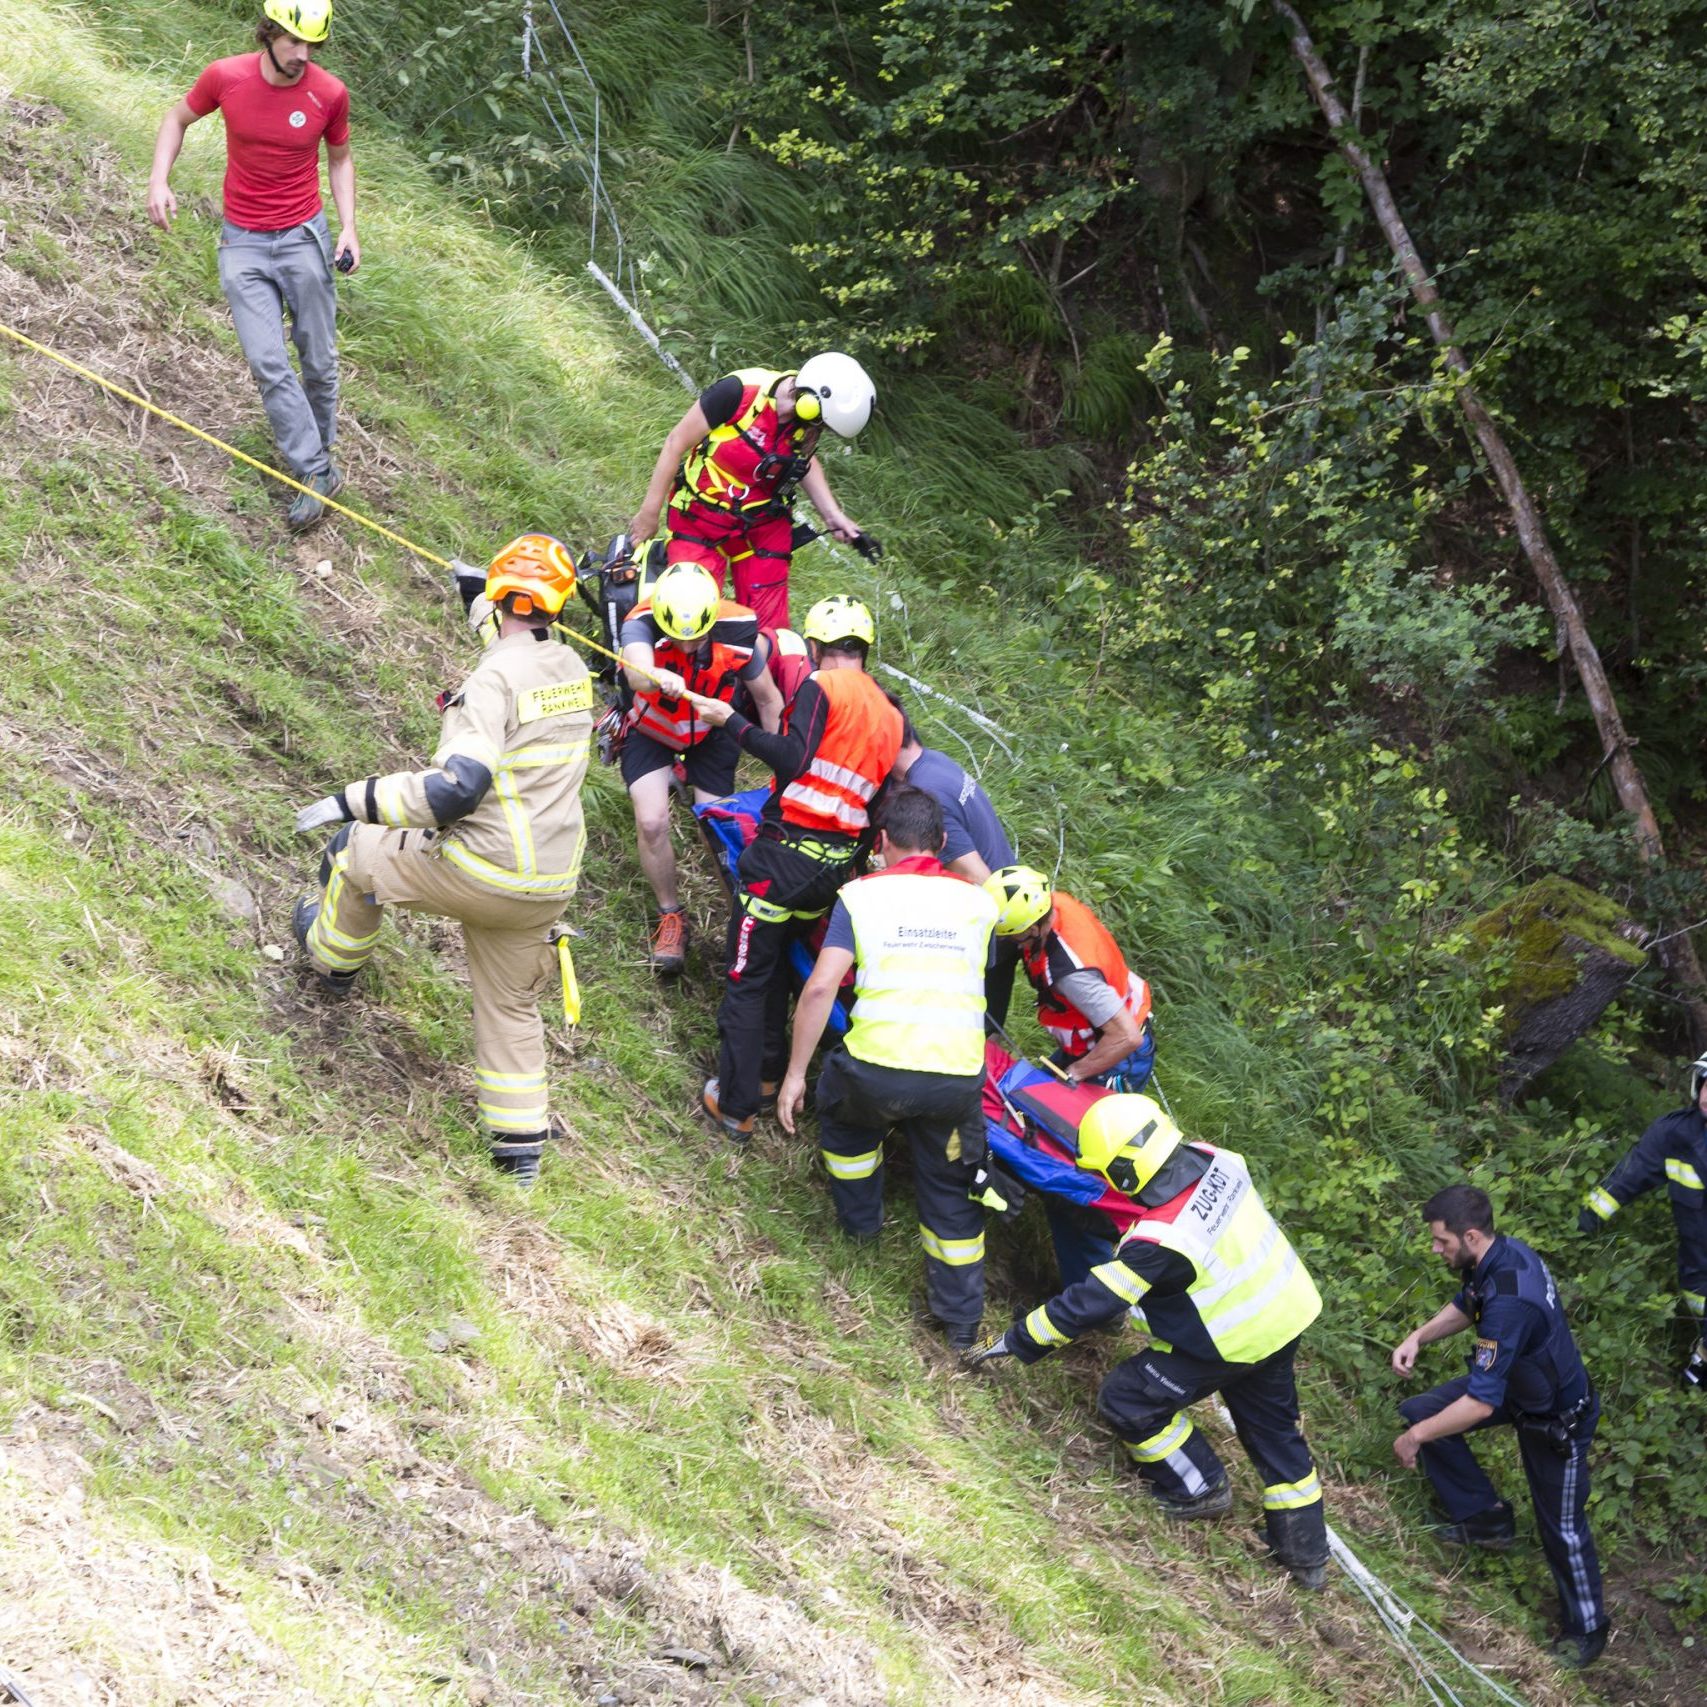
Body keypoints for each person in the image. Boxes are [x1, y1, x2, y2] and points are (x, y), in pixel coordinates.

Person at [290, 534, 593, 1186]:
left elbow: (455, 789)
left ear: (503, 596)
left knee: (352, 852)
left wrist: (353, 800)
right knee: (510, 1005)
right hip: (547, 883)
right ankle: (519, 1153)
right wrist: (476, 596)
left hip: (481, 866)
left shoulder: (492, 681)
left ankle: (331, 961)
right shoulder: (571, 669)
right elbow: (516, 645)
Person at [966, 1094, 1330, 1588]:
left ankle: (1198, 1488)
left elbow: (1093, 1302)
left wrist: (1018, 1340)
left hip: (1231, 1339)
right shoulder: (1217, 1158)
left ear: (1125, 1172)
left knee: (1130, 1398)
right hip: (1285, 1312)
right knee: (1275, 1432)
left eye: (1107, 1174)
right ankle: (1306, 1557)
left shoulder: (1161, 1243)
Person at [777, 786, 998, 1348]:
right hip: (955, 1079)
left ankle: (860, 1229)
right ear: (942, 842)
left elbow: (821, 986)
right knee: (951, 1188)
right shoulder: (980, 904)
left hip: (875, 1073)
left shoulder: (859, 896)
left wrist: (796, 1075)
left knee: (847, 1128)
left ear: (880, 842)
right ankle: (961, 1324)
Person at [688, 594, 904, 1141]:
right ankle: (764, 1078)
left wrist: (731, 722)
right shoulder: (890, 712)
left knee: (746, 976)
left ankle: (735, 1105)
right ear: (864, 649)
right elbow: (878, 800)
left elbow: (793, 758)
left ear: (813, 646)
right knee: (780, 965)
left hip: (784, 858)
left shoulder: (820, 686)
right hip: (831, 872)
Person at [146, 0, 356, 532]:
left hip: (303, 237)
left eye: (312, 45)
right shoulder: (226, 77)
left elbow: (339, 160)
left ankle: (321, 454)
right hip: (241, 241)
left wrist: (349, 227)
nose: (302, 55)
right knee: (267, 362)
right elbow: (176, 118)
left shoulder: (329, 93)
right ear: (268, 33)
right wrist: (158, 181)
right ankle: (314, 470)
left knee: (318, 359)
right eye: (293, 41)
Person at [1392, 1185, 1607, 1669]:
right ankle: (1485, 1519)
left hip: (1556, 1418)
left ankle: (1588, 1628)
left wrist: (1415, 1439)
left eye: (1442, 1241)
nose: (1435, 1249)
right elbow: (1468, 1304)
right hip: (1517, 1388)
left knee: (1562, 1527)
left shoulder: (1512, 1302)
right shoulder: (1497, 1257)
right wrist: (1418, 1336)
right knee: (1422, 1411)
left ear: (1470, 1235)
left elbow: (1478, 1404)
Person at [627, 355, 877, 634]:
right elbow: (676, 442)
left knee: (770, 631)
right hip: (701, 518)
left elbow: (804, 462)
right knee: (691, 613)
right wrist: (649, 513)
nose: (820, 430)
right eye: (822, 423)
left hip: (762, 526)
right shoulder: (738, 392)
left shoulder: (805, 425)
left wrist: (833, 516)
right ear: (809, 400)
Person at [618, 563, 784, 974]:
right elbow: (637, 674)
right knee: (652, 821)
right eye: (678, 638)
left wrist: (783, 762)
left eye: (697, 639)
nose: (688, 647)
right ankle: (670, 916)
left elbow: (768, 700)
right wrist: (656, 675)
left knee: (720, 830)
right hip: (652, 730)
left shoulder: (739, 629)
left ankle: (742, 924)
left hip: (713, 734)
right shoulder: (640, 621)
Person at [1577, 1050, 1707, 1381]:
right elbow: (1630, 1176)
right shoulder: (1675, 1134)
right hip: (1696, 1263)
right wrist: (1585, 1221)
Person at [889, 707, 1019, 1024]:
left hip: (989, 934)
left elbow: (977, 876)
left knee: (969, 1032)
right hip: (1007, 918)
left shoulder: (926, 794)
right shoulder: (934, 761)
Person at [983, 867, 1155, 1090]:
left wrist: (1075, 1073)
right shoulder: (1051, 904)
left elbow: (1127, 1036)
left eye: (1012, 936)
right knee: (1027, 1095)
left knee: (1052, 1110)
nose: (1009, 942)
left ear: (1033, 929)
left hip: (1117, 1054)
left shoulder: (1071, 975)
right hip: (1096, 1034)